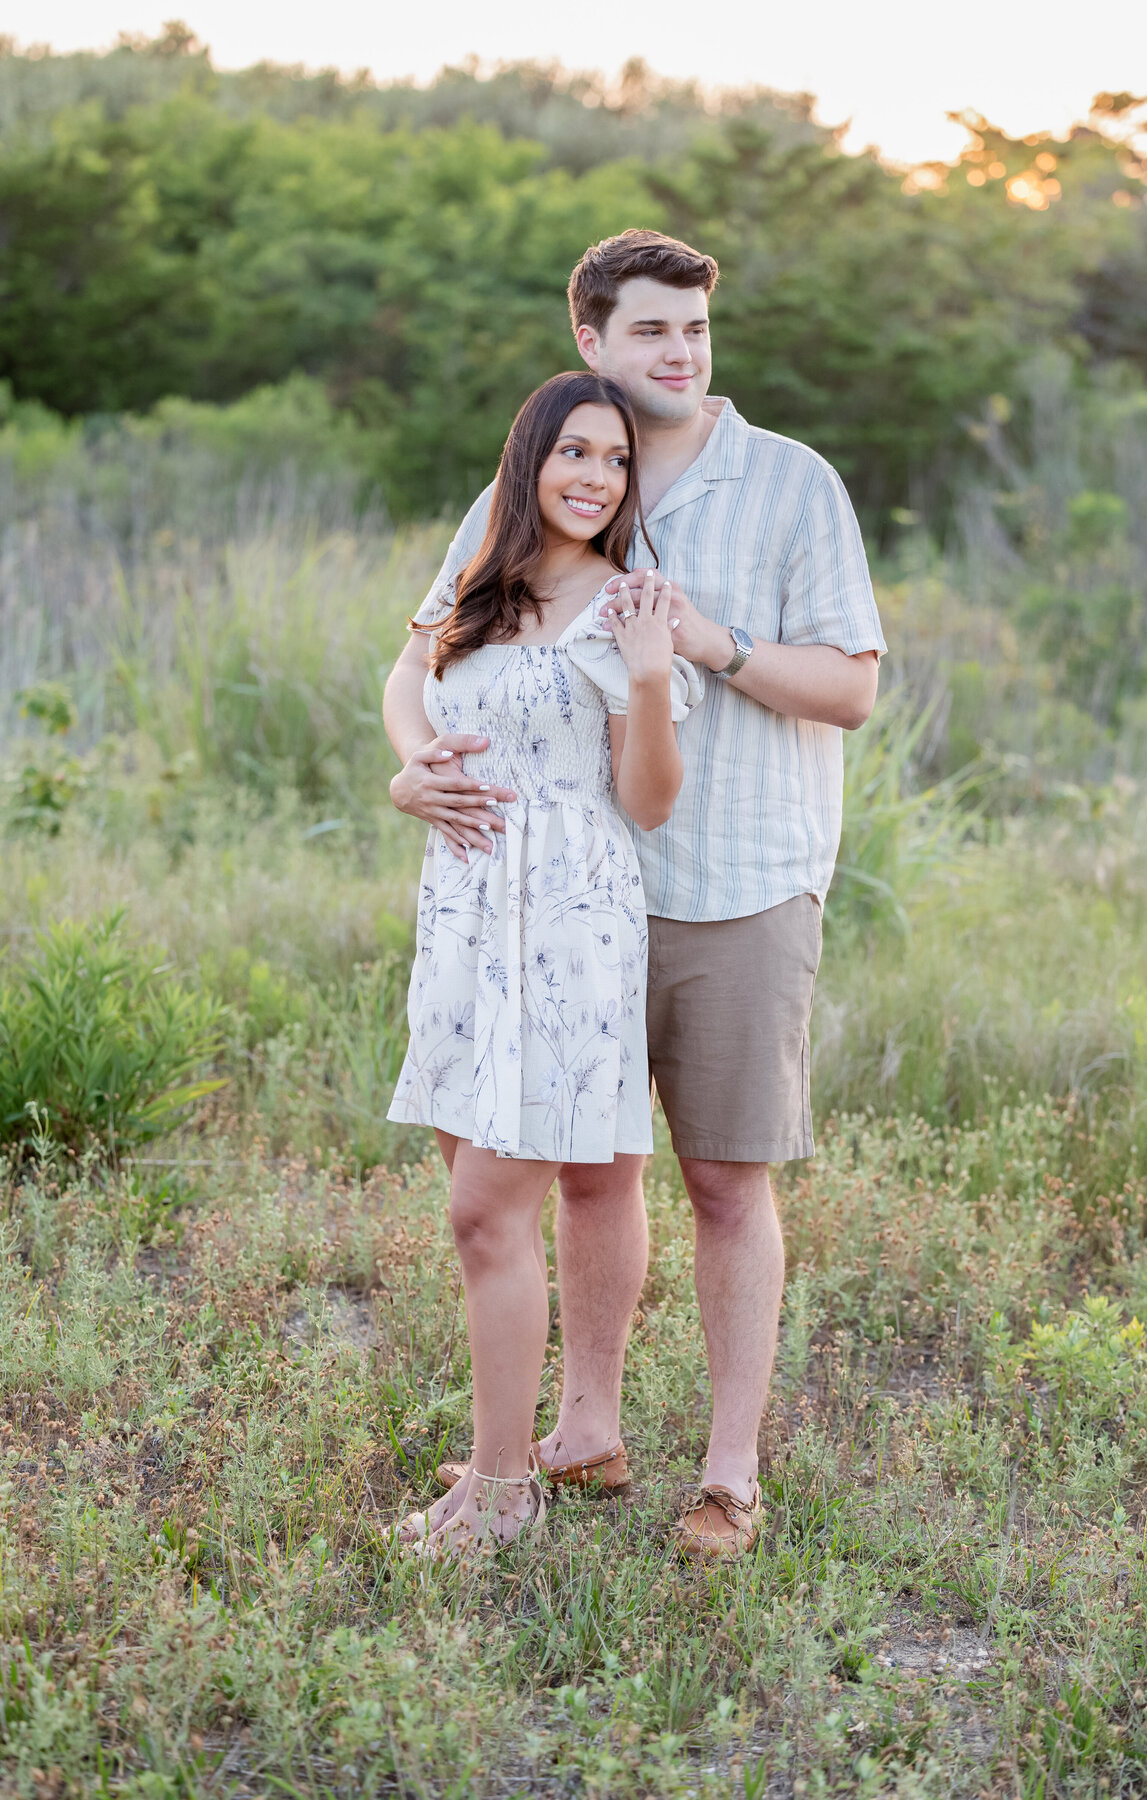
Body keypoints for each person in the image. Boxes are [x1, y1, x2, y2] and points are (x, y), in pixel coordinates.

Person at [383, 229, 886, 1560]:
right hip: (549, 907)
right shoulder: (549, 472)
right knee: (592, 1177)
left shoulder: (789, 487)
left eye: (696, 332)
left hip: (732, 882)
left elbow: (852, 688)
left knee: (725, 1179)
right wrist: (414, 768)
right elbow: (425, 649)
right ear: (592, 344)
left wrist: (701, 646)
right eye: (651, 331)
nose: (679, 353)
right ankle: (582, 1434)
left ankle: (729, 1474)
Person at [384, 369, 701, 1556]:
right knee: (483, 1208)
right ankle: (504, 1464)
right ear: (529, 463)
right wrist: (409, 769)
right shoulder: (483, 580)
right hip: (466, 906)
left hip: (567, 915)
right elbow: (407, 682)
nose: (596, 478)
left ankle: (505, 1490)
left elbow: (650, 802)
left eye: (616, 462)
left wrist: (658, 676)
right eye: (575, 453)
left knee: (483, 1213)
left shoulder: (628, 605)